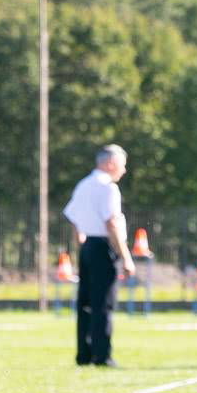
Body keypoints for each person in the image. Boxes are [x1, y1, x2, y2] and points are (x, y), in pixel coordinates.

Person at [62, 144, 135, 367]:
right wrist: (126, 257)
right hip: (103, 247)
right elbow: (111, 223)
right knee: (103, 303)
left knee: (85, 303)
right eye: (122, 165)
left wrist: (80, 244)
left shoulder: (83, 184)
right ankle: (102, 356)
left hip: (87, 247)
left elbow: (73, 218)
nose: (124, 170)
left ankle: (84, 354)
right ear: (110, 163)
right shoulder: (108, 188)